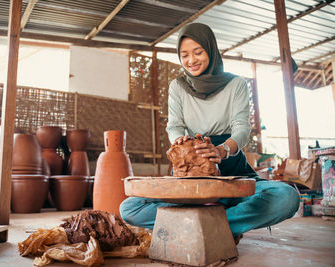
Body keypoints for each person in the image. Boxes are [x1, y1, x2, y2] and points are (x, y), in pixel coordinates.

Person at [119, 23, 300, 242]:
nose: (191, 60)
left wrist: (223, 150)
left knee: (287, 197)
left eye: (198, 52)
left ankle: (203, 225)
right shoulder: (178, 86)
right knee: (130, 207)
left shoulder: (236, 84)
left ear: (211, 50)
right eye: (184, 55)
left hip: (233, 173)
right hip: (193, 175)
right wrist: (180, 141)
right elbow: (174, 125)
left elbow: (242, 128)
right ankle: (220, 225)